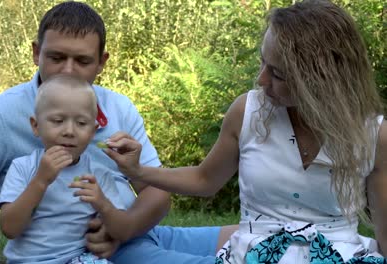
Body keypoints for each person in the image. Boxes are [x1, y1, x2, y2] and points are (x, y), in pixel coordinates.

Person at [0, 1, 235, 263]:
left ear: (102, 63)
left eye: (82, 61)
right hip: (81, 253)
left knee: (255, 238)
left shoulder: (118, 108)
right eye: (56, 57)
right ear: (35, 53)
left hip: (132, 233)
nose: (67, 70)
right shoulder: (2, 114)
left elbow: (155, 192)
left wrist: (123, 228)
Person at [105, 0, 387, 263]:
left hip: (340, 254)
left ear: (321, 79)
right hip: (252, 253)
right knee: (132, 249)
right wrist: (139, 171)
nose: (261, 79)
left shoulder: (374, 135)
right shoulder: (248, 111)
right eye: (263, 62)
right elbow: (205, 180)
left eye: (278, 74)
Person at [0, 75, 131, 263]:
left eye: (81, 123)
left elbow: (123, 232)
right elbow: (9, 228)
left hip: (77, 259)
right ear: (36, 126)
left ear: (92, 132)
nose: (69, 131)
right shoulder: (23, 167)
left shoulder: (98, 175)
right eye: (58, 120)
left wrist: (103, 204)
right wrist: (40, 181)